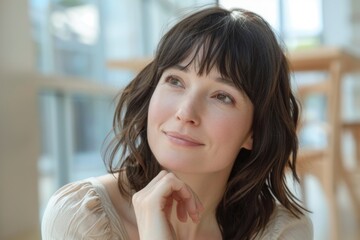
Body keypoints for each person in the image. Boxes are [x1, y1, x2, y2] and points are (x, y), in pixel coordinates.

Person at [41, 6, 313, 240]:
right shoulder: (81, 218)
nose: (186, 112)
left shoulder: (282, 231)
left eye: (222, 96)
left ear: (254, 131)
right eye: (175, 81)